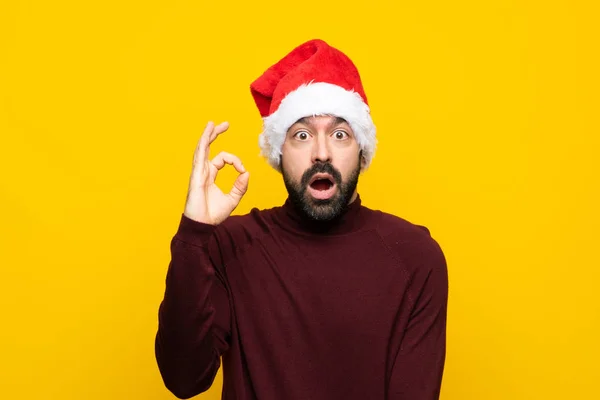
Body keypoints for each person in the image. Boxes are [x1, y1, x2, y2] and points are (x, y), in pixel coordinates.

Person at [155, 39, 448, 400]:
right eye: (302, 135)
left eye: (340, 134)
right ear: (279, 152)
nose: (321, 153)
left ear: (362, 150)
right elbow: (184, 379)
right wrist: (194, 233)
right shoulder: (230, 246)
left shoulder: (415, 258)